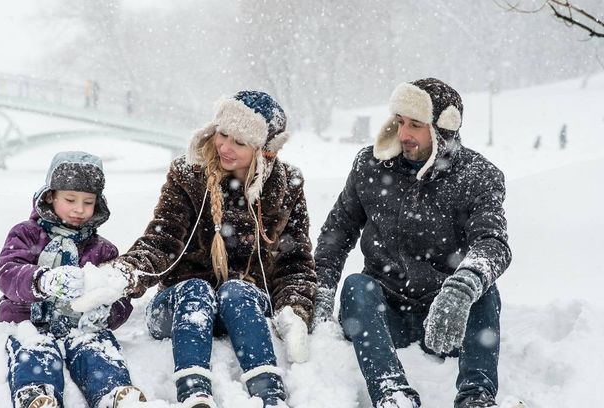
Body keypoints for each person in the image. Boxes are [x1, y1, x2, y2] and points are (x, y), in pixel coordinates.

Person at [109, 90, 317, 408]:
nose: (225, 147)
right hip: (180, 308)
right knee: (195, 289)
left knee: (237, 290)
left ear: (265, 151)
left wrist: (294, 311)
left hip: (244, 310)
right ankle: (194, 393)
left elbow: (296, 260)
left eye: (239, 142)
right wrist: (125, 274)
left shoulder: (287, 185)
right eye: (222, 134)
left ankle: (269, 394)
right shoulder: (188, 175)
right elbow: (162, 241)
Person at [313, 78, 511, 408]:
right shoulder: (370, 166)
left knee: (483, 289)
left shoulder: (477, 176)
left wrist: (460, 289)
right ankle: (393, 393)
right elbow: (336, 234)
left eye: (415, 125)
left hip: (447, 316)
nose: (403, 134)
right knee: (356, 286)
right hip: (384, 314)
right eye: (400, 121)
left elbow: (493, 243)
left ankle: (476, 396)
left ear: (443, 128)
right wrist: (320, 290)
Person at [0, 151, 146, 408]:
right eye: (70, 199)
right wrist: (42, 281)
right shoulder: (26, 234)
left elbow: (119, 295)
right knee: (34, 350)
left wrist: (107, 312)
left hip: (80, 326)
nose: (79, 209)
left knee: (96, 348)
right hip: (29, 320)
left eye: (88, 202)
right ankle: (36, 393)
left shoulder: (103, 250)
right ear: (50, 196)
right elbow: (6, 272)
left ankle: (113, 393)